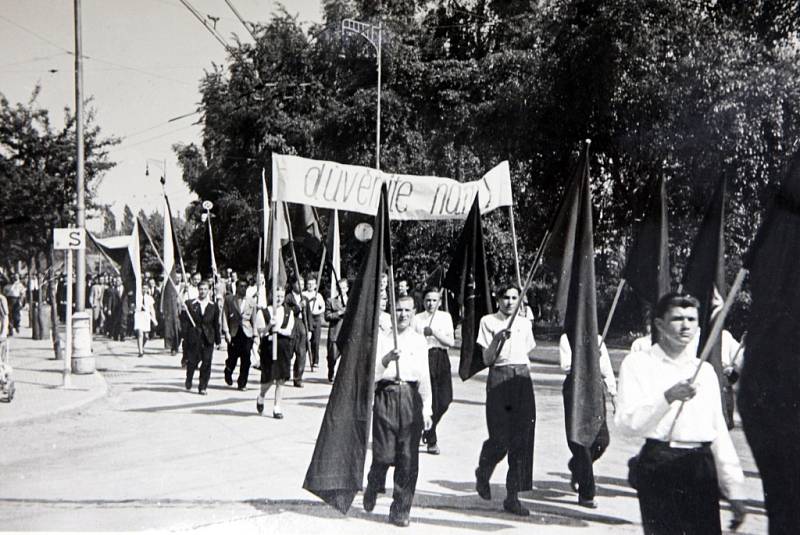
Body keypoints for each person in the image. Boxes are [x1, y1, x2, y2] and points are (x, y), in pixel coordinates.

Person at [615, 293, 746, 534]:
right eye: (677, 318)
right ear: (659, 324)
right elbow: (625, 424)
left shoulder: (704, 372)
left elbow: (718, 433)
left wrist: (733, 488)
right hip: (659, 463)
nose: (685, 326)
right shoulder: (638, 365)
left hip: (700, 467)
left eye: (691, 319)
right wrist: (667, 398)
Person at [363, 295, 432, 527]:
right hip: (386, 394)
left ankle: (400, 510)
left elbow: (424, 377)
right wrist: (386, 359)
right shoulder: (382, 339)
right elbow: (371, 376)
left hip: (410, 398)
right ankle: (374, 483)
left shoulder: (419, 341)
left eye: (407, 310)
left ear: (414, 312)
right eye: (398, 310)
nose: (402, 315)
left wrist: (427, 409)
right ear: (392, 312)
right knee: (383, 454)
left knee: (408, 458)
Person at [474, 283, 537, 517]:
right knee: (500, 437)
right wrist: (498, 339)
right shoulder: (488, 321)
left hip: (521, 378)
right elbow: (487, 359)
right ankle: (484, 470)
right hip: (499, 377)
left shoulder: (524, 323)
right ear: (498, 299)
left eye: (514, 297)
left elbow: (526, 352)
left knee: (521, 439)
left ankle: (513, 496)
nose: (510, 302)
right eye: (505, 298)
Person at [558, 333, 617, 508]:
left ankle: (577, 465)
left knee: (601, 440)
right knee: (581, 441)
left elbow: (606, 368)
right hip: (576, 389)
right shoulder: (567, 338)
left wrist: (613, 394)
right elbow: (566, 365)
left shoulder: (598, 339)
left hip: (595, 389)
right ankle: (587, 493)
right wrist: (588, 358)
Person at [413, 288, 455, 455]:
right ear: (423, 302)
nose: (431, 303)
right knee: (429, 399)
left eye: (434, 300)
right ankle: (431, 439)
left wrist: (435, 333)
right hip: (424, 357)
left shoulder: (445, 317)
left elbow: (450, 342)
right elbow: (413, 341)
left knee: (445, 399)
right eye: (428, 300)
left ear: (440, 301)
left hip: (441, 358)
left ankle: (426, 428)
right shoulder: (417, 319)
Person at [256, 286, 294, 419]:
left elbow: (289, 330)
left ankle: (277, 407)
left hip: (283, 346)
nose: (279, 299)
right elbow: (261, 332)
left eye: (281, 296)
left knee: (281, 378)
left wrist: (278, 329)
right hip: (268, 346)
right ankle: (261, 395)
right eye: (277, 296)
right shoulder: (264, 312)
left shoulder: (288, 312)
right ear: (272, 295)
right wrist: (269, 326)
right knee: (269, 378)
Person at [181, 280, 220, 395]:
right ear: (198, 290)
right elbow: (184, 321)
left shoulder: (213, 306)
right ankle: (189, 379)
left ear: (208, 291)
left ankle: (203, 386)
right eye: (201, 289)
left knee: (207, 362)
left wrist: (218, 340)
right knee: (192, 362)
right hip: (194, 337)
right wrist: (186, 336)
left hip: (208, 338)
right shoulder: (190, 304)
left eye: (205, 289)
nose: (203, 292)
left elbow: (216, 324)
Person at [222, 279, 258, 390]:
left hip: (247, 333)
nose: (243, 288)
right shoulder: (229, 300)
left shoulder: (251, 301)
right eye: (240, 286)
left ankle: (242, 383)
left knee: (246, 359)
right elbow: (224, 316)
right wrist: (226, 332)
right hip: (234, 332)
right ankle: (228, 370)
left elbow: (254, 319)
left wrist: (255, 334)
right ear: (236, 287)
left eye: (245, 287)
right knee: (232, 358)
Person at [285, 276, 309, 388]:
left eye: (303, 283)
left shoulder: (305, 298)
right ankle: (284, 374)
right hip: (291, 325)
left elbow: (308, 316)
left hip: (302, 326)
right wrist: (298, 307)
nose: (301, 285)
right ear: (293, 284)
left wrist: (310, 330)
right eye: (299, 283)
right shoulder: (288, 298)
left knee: (301, 354)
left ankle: (298, 378)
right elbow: (287, 312)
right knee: (288, 352)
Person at [324, 278, 348, 382]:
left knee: (347, 357)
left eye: (344, 287)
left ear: (347, 288)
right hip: (335, 332)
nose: (342, 289)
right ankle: (331, 371)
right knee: (332, 356)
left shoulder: (352, 300)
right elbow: (327, 316)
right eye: (340, 287)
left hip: (347, 332)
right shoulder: (331, 301)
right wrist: (339, 313)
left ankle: (343, 377)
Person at [302, 275, 325, 372]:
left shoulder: (318, 295)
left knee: (315, 341)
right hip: (307, 317)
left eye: (312, 284)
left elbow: (322, 307)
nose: (310, 286)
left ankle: (315, 361)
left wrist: (318, 311)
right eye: (309, 284)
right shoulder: (303, 294)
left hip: (316, 318)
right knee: (305, 341)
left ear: (315, 285)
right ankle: (302, 360)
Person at [134, 284, 158, 357]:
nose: (144, 290)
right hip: (139, 315)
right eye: (143, 288)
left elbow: (152, 309)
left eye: (146, 288)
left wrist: (154, 319)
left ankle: (142, 346)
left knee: (146, 336)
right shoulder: (137, 297)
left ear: (148, 289)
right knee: (140, 334)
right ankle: (140, 351)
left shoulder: (149, 298)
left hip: (146, 316)